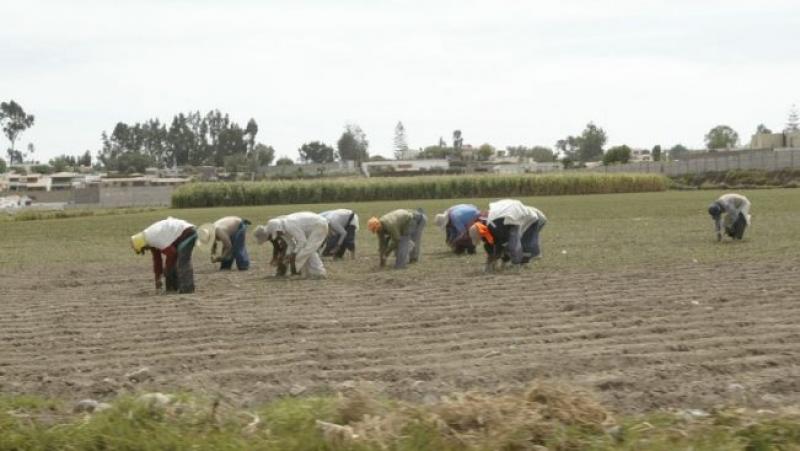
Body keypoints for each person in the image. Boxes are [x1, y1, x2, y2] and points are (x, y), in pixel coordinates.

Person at [469, 199, 547, 272]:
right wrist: (492, 256)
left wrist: (495, 257)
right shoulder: (487, 226)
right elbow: (491, 243)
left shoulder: (495, 227)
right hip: (509, 216)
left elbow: (503, 243)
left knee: (518, 243)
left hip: (523, 218)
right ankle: (514, 262)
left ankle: (517, 265)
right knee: (511, 242)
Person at [130, 217, 197, 293]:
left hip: (188, 232)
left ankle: (187, 289)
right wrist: (157, 278)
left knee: (182, 262)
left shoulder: (153, 238)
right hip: (182, 233)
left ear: (143, 245)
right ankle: (173, 288)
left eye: (143, 249)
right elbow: (157, 260)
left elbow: (172, 253)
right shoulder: (149, 240)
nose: (146, 250)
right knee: (172, 264)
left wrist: (167, 269)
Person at [254, 212, 329, 278]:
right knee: (308, 250)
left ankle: (304, 273)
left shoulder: (290, 225)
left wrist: (293, 254)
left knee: (307, 250)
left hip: (319, 225)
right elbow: (291, 244)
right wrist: (288, 255)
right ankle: (316, 273)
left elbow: (302, 241)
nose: (279, 235)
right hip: (313, 227)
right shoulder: (282, 230)